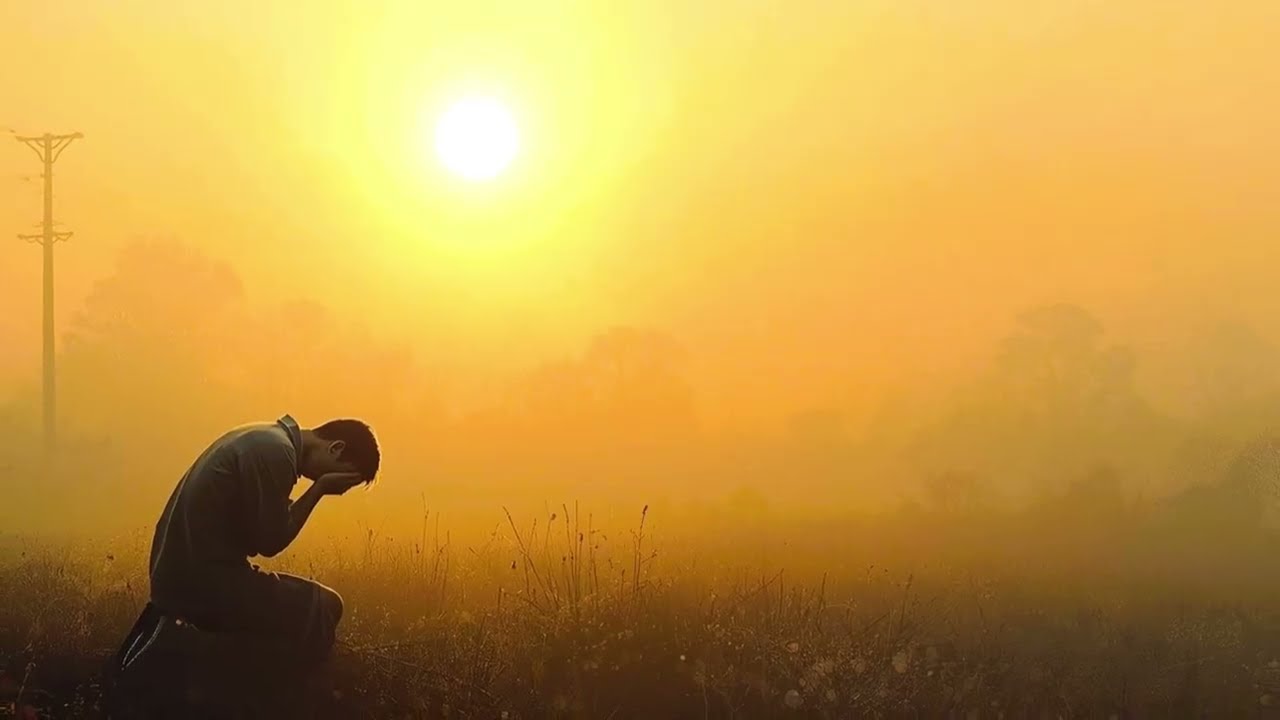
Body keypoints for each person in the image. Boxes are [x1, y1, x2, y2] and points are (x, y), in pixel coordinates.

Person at [111, 414, 379, 716]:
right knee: (326, 606)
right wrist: (319, 489)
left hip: (180, 577)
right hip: (203, 583)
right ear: (336, 448)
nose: (341, 490)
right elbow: (271, 542)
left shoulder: (265, 438)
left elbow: (255, 533)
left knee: (304, 608)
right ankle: (292, 703)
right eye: (345, 480)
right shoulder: (277, 453)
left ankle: (262, 691)